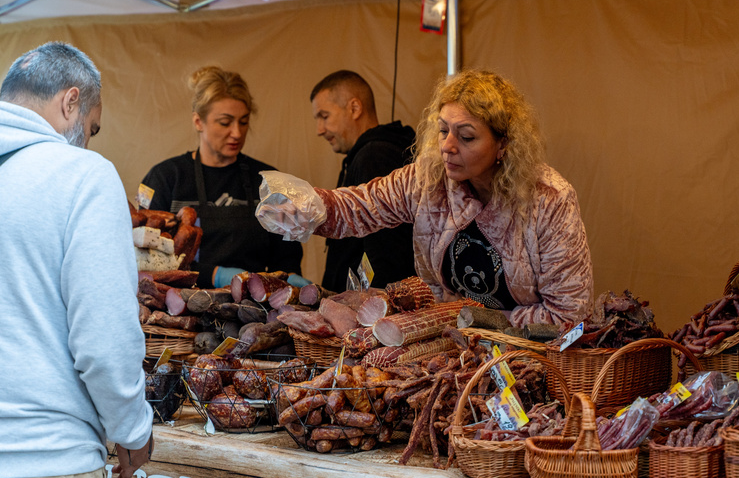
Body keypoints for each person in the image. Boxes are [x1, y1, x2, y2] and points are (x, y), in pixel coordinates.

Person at [260, 70, 594, 326]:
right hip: (451, 349)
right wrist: (305, 207)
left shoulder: (549, 200)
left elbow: (568, 313)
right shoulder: (428, 178)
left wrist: (473, 318)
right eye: (443, 130)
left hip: (529, 357)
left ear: (504, 145)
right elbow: (359, 207)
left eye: (466, 136)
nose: (448, 146)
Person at [0, 42, 154, 478]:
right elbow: (104, 339)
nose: (89, 141)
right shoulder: (82, 174)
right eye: (90, 128)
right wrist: (132, 430)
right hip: (41, 468)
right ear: (70, 102)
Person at [141, 66, 303, 289]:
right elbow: (148, 259)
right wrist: (214, 275)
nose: (236, 133)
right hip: (180, 310)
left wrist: (289, 279)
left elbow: (287, 255)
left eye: (244, 122)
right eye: (225, 123)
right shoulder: (166, 178)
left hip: (252, 307)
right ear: (198, 121)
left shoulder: (267, 182)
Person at [310, 70, 416, 291]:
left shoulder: (374, 156)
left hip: (370, 315)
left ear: (355, 108)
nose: (319, 130)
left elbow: (386, 253)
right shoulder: (365, 154)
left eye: (324, 116)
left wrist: (373, 315)